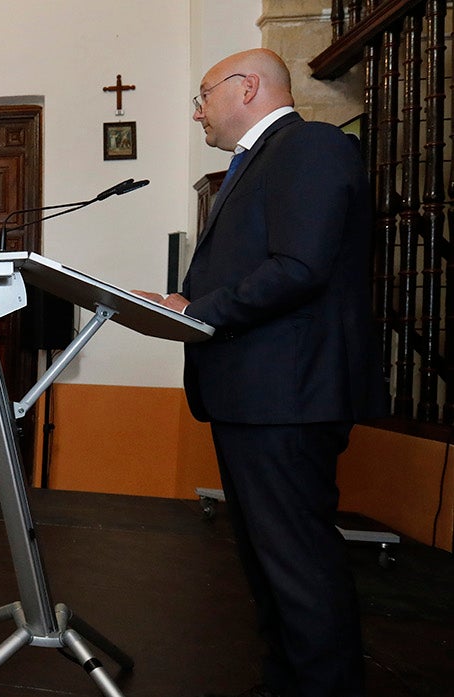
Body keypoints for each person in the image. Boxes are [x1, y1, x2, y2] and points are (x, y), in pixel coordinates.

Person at [134, 49, 385, 697]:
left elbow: (300, 267)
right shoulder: (256, 162)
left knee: (296, 566)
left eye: (204, 94)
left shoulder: (310, 147)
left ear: (246, 87)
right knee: (268, 568)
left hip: (287, 395)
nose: (197, 111)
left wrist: (198, 309)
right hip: (256, 394)